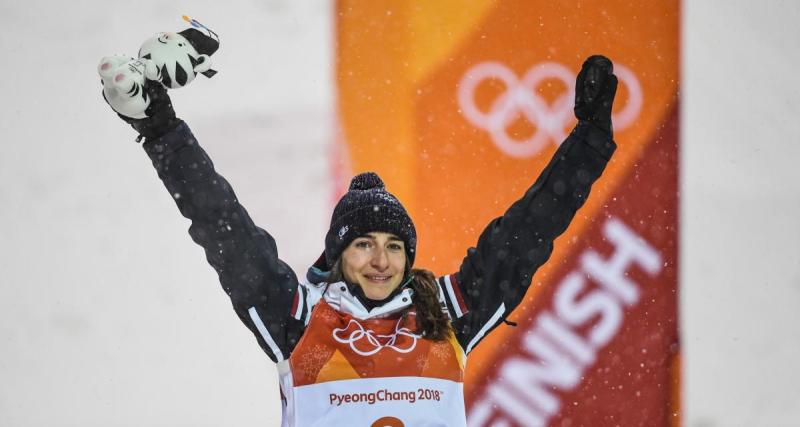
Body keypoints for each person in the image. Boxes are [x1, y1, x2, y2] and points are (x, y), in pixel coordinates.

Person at [103, 54, 618, 426]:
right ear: (338, 254)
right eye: (363, 244)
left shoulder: (446, 313)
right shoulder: (297, 316)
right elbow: (222, 225)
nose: (381, 260)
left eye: (394, 246)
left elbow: (527, 232)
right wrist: (162, 130)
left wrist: (590, 141)